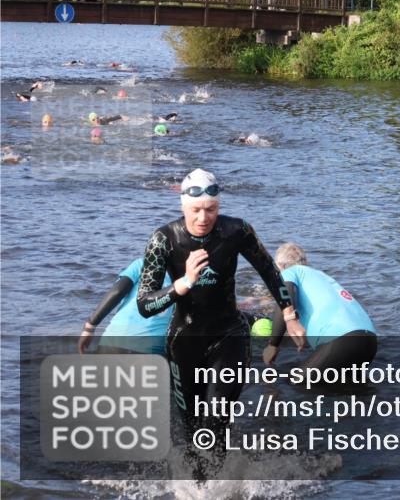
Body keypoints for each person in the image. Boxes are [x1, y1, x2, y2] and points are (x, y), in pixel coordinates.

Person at [135, 168, 305, 479]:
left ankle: (215, 489)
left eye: (211, 209)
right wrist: (183, 283)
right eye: (195, 210)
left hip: (229, 334)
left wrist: (289, 315)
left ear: (219, 207)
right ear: (183, 206)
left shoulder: (237, 231)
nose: (203, 218)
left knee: (215, 416)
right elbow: (144, 305)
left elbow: (269, 269)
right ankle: (199, 486)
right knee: (190, 430)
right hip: (184, 342)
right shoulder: (164, 240)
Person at [263, 242, 377, 373]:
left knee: (296, 383)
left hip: (342, 339)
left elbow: (284, 299)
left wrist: (273, 345)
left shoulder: (289, 272)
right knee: (344, 385)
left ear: (281, 266)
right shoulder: (320, 276)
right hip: (370, 341)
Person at [79, 258, 175, 355]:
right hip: (151, 352)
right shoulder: (186, 280)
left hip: (113, 343)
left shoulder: (143, 263)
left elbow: (117, 292)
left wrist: (90, 327)